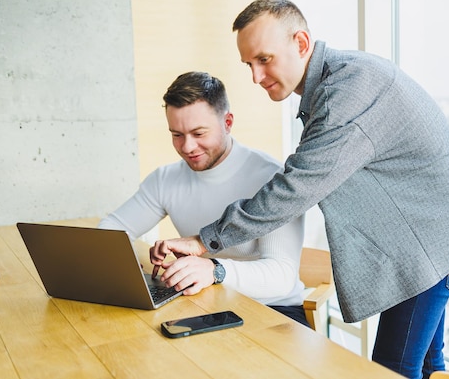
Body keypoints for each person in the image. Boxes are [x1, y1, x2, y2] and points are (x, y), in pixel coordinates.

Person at [149, 0, 449, 379]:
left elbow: (297, 186)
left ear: (302, 44)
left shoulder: (350, 91)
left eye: (264, 59)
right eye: (249, 65)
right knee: (428, 367)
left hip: (429, 250)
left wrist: (203, 241)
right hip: (431, 243)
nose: (256, 77)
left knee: (392, 371)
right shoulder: (339, 81)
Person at [98, 71, 308, 326]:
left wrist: (215, 270)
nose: (187, 147)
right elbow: (109, 232)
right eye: (177, 134)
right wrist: (130, 273)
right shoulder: (165, 179)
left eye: (199, 133)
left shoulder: (272, 178)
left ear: (227, 122)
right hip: (207, 305)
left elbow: (281, 276)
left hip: (274, 312)